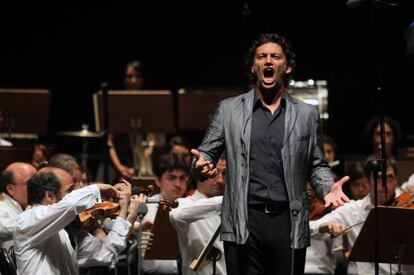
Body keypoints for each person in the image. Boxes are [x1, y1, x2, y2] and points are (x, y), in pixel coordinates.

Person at [192, 32, 349, 275]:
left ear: (287, 67)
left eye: (275, 56)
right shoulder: (229, 110)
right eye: (261, 56)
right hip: (244, 218)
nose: (268, 61)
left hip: (287, 218)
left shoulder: (306, 115)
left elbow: (316, 163)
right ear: (253, 67)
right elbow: (205, 155)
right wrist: (200, 166)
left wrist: (328, 188)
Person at [13, 167, 144, 275]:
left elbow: (108, 253)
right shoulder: (27, 220)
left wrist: (129, 213)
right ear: (49, 196)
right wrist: (97, 188)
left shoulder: (65, 232)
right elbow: (71, 205)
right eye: (70, 190)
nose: (76, 192)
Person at [310, 159, 414, 274]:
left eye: (390, 178)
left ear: (396, 180)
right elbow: (311, 226)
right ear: (368, 181)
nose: (384, 185)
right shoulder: (351, 210)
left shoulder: (407, 206)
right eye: (378, 178)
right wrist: (325, 225)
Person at [170, 156, 227, 275]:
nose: (220, 180)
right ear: (198, 174)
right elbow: (177, 215)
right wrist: (226, 201)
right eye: (214, 173)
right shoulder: (185, 203)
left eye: (225, 173)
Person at [137, 153, 190, 275]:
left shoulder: (191, 206)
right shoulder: (146, 207)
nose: (178, 184)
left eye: (182, 178)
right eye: (171, 178)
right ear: (157, 180)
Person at [0, 162, 37, 249]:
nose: (37, 187)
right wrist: (33, 217)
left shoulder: (30, 205)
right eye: (30, 183)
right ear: (10, 189)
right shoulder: (1, 205)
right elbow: (2, 228)